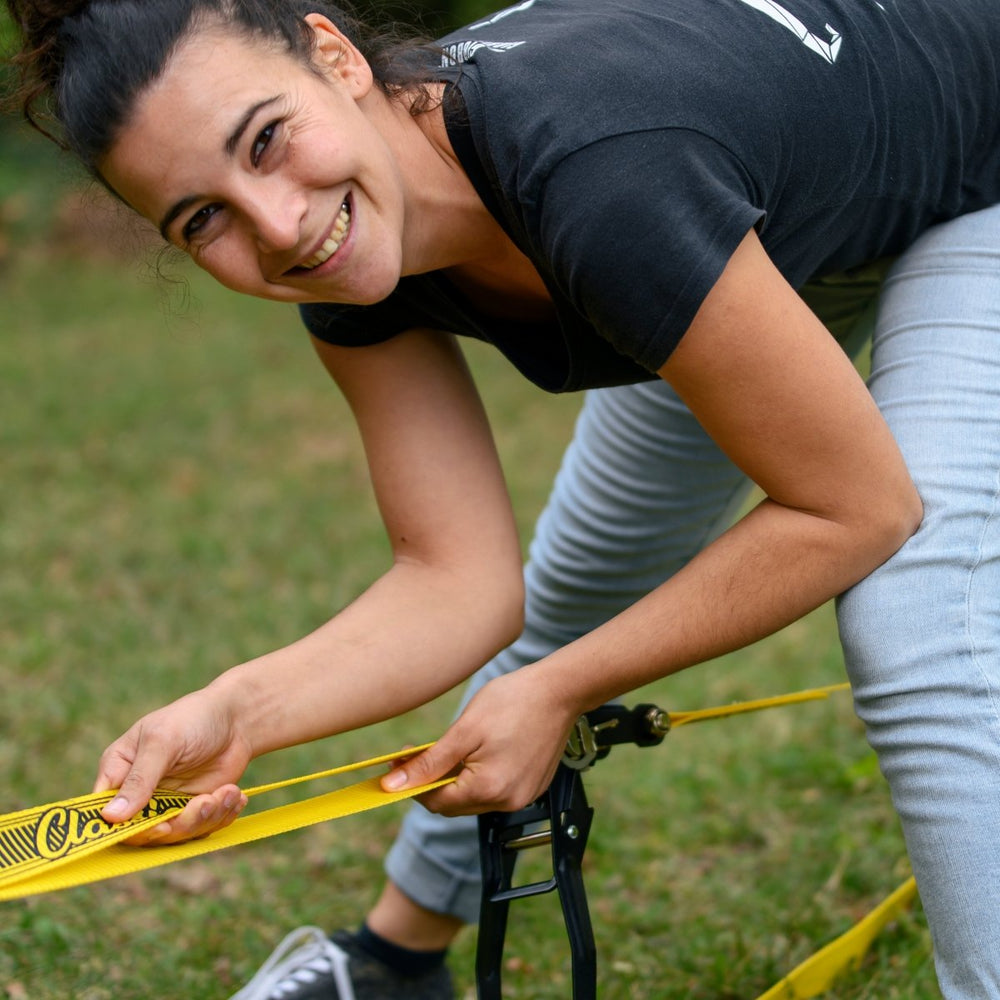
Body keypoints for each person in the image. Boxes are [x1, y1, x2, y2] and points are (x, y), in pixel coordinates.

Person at [6, 0, 1000, 995]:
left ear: (334, 57)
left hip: (974, 153)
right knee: (580, 596)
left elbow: (854, 508)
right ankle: (393, 963)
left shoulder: (598, 170)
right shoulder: (351, 240)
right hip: (765, 200)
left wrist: (561, 689)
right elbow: (455, 581)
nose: (277, 224)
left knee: (917, 617)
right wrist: (240, 713)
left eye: (265, 139)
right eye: (203, 218)